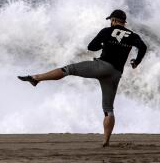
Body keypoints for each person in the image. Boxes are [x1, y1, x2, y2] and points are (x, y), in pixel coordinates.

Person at [18, 9, 147, 147]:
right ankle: (106, 141)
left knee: (68, 69)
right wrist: (136, 61)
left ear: (114, 20)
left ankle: (37, 78)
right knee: (108, 109)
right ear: (124, 22)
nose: (110, 22)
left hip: (101, 66)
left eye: (111, 20)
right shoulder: (133, 35)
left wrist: (104, 44)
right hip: (116, 73)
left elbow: (91, 47)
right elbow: (143, 47)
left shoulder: (107, 31)